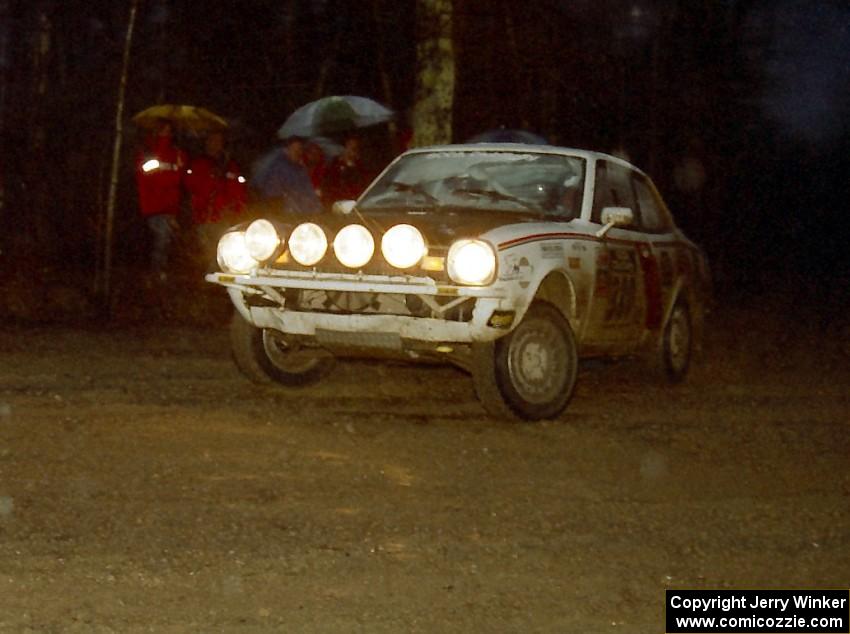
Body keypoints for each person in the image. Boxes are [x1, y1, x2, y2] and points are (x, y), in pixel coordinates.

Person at [134, 118, 188, 280]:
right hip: (154, 206)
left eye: (169, 130)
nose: (166, 133)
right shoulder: (148, 150)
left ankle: (157, 275)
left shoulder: (176, 153)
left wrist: (180, 164)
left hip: (170, 206)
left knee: (164, 242)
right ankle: (156, 274)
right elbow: (145, 177)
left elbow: (178, 180)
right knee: (160, 241)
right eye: (163, 130)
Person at [185, 130, 246, 264]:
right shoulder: (198, 164)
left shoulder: (231, 165)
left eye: (219, 141)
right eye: (213, 140)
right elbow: (193, 187)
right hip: (204, 216)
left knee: (222, 252)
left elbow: (238, 189)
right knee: (207, 252)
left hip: (224, 216)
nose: (216, 144)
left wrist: (237, 209)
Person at [250, 136, 322, 214]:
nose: (298, 152)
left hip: (296, 210)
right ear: (286, 150)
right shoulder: (279, 167)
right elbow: (274, 191)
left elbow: (307, 189)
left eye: (300, 149)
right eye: (295, 149)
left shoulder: (299, 167)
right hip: (282, 208)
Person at [320, 135, 372, 208]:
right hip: (338, 204)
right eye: (350, 146)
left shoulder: (360, 167)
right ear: (344, 148)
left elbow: (363, 185)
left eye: (355, 148)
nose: (352, 149)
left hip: (356, 204)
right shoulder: (334, 165)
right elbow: (328, 187)